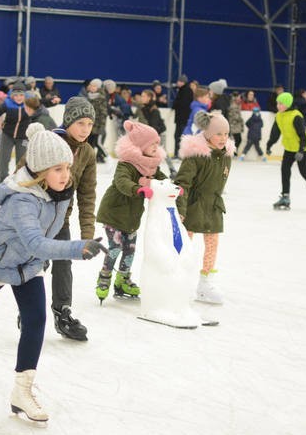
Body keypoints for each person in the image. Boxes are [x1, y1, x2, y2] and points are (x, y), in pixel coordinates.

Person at [0, 122, 108, 422]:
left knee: (36, 319)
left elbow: (42, 241)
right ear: (40, 171)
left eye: (68, 167)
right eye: (58, 169)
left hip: (27, 266)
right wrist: (79, 248)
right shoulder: (22, 200)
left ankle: (22, 392)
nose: (66, 175)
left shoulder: (61, 191)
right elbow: (37, 242)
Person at [44, 97, 97, 341]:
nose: (86, 129)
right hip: (38, 217)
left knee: (63, 263)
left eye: (90, 123)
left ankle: (62, 312)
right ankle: (29, 308)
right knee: (36, 265)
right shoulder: (51, 142)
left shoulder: (87, 153)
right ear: (68, 121)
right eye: (80, 123)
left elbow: (87, 194)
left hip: (61, 219)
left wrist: (87, 234)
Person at [95, 121, 166, 303]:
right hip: (114, 213)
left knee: (130, 250)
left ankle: (123, 279)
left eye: (157, 144)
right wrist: (138, 189)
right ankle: (104, 278)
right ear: (141, 145)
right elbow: (122, 182)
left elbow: (162, 179)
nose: (155, 147)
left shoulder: (151, 166)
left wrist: (173, 187)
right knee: (116, 247)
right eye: (152, 144)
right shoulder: (126, 164)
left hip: (131, 216)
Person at [175, 111, 235, 304]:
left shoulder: (226, 155)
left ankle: (205, 283)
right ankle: (177, 280)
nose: (223, 138)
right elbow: (182, 183)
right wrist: (181, 210)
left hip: (213, 206)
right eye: (219, 134)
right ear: (208, 134)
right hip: (193, 206)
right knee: (185, 245)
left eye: (226, 134)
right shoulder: (195, 155)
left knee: (212, 245)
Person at [266, 92, 306, 210]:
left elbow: (302, 135)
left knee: (304, 171)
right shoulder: (279, 116)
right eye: (277, 103)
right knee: (285, 170)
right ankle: (285, 196)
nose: (278, 106)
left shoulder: (296, 116)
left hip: (302, 147)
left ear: (287, 104)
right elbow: (275, 133)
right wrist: (269, 145)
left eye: (280, 103)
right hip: (289, 148)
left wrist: (301, 151)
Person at [85, 78, 108, 163]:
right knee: (89, 144)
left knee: (98, 143)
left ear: (98, 87)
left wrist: (102, 126)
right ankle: (89, 160)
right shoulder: (88, 97)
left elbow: (103, 114)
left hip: (98, 126)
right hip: (89, 125)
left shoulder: (101, 98)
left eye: (93, 85)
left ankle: (107, 157)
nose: (90, 87)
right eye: (90, 85)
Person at [171, 74, 193, 159]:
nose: (177, 82)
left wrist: (175, 105)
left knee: (180, 136)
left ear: (183, 82)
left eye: (179, 81)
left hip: (183, 118)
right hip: (181, 118)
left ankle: (180, 154)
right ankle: (178, 153)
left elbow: (183, 104)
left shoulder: (186, 91)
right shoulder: (182, 90)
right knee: (177, 136)